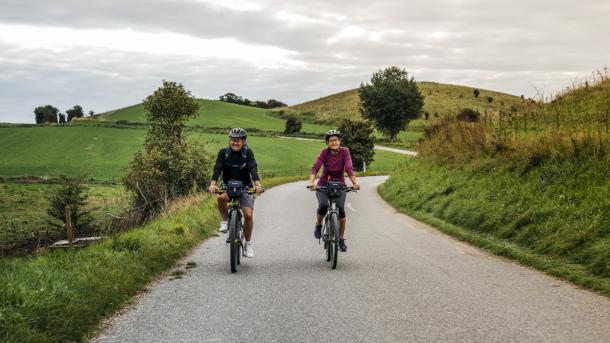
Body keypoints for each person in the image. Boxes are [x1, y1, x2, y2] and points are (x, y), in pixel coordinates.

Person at [209, 128, 263, 258]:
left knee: (248, 215)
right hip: (227, 185)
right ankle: (226, 221)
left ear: (243, 142)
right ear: (230, 140)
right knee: (221, 198)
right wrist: (213, 184)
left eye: (238, 141)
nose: (235, 143)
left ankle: (248, 244)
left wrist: (257, 184)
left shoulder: (248, 153)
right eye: (233, 140)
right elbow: (217, 168)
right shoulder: (223, 153)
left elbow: (252, 168)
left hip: (245, 187)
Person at [308, 129, 360, 252]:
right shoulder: (324, 153)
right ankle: (319, 225)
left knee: (341, 210)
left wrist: (354, 183)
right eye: (331, 141)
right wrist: (311, 182)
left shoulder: (345, 152)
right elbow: (315, 168)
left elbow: (349, 168)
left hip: (340, 185)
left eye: (336, 140)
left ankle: (341, 239)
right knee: (324, 205)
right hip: (324, 185)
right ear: (327, 143)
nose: (334, 142)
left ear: (340, 141)